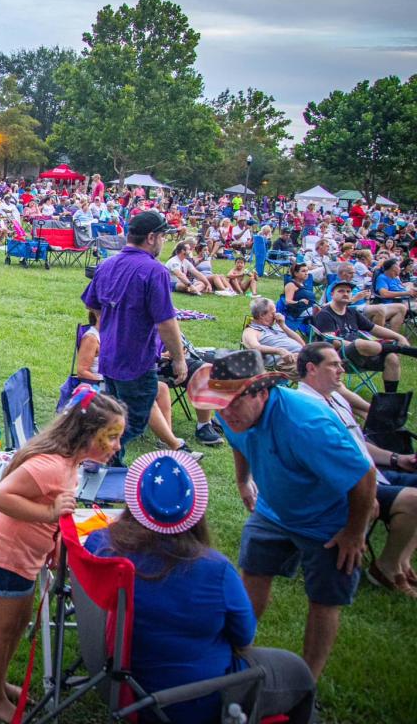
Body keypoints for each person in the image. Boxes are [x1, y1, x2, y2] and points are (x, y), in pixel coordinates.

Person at [86, 451, 316, 724]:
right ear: (195, 508)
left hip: (124, 687)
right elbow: (244, 638)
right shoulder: (215, 570)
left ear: (134, 503)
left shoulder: (102, 547)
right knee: (300, 674)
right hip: (198, 700)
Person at [188, 350, 376, 680]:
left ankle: (307, 681)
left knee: (323, 599)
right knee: (254, 572)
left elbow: (364, 476)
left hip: (327, 518)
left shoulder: (306, 424)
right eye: (220, 402)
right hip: (273, 508)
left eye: (233, 402)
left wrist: (354, 532)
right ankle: (236, 653)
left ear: (261, 392)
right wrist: (243, 479)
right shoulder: (231, 414)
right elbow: (237, 440)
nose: (225, 412)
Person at [0, 388, 126, 723]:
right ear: (88, 434)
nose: (117, 446)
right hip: (2, 555)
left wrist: (53, 541)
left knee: (19, 622)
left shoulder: (71, 463)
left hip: (21, 556)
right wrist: (51, 513)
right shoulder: (51, 465)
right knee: (3, 627)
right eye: (111, 437)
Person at [295, 342, 417, 597]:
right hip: (347, 484)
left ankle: (401, 561)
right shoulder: (305, 407)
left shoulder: (336, 398)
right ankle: (384, 567)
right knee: (414, 501)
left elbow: (359, 444)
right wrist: (363, 491)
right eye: (334, 365)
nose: (342, 369)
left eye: (341, 364)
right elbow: (321, 463)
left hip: (372, 472)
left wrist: (396, 459)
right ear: (311, 368)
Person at [81, 212, 191, 464]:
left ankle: (105, 465)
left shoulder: (107, 264)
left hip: (110, 356)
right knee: (135, 419)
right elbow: (166, 322)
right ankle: (94, 455)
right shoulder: (155, 271)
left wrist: (113, 324)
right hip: (136, 360)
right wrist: (179, 359)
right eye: (163, 236)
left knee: (116, 416)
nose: (164, 242)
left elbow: (94, 306)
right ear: (151, 237)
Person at [73, 312, 203, 457]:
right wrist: (104, 376)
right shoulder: (91, 338)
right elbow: (82, 371)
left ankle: (166, 437)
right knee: (147, 399)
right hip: (99, 384)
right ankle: (174, 445)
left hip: (119, 378)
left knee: (162, 388)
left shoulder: (112, 335)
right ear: (97, 315)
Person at [312, 278, 415, 393]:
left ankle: (389, 399)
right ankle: (401, 349)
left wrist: (399, 337)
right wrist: (359, 345)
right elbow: (332, 341)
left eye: (348, 291)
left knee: (391, 358)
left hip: (361, 354)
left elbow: (374, 328)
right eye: (341, 291)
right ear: (332, 294)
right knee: (359, 343)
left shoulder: (352, 312)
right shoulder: (325, 314)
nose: (345, 294)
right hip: (339, 357)